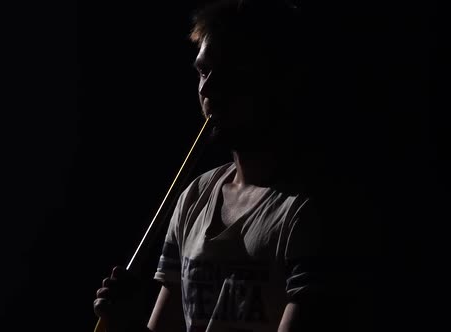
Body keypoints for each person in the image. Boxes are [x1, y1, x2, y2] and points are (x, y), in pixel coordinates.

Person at [93, 0, 369, 331]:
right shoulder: (193, 198)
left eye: (230, 73)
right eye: (203, 71)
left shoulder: (310, 212)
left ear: (278, 79)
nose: (207, 89)